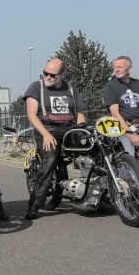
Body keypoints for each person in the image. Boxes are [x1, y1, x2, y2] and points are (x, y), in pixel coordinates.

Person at [25, 58, 86, 219]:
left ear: (62, 75)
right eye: (45, 73)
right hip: (47, 129)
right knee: (50, 157)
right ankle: (34, 204)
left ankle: (99, 194)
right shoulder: (36, 87)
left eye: (52, 75)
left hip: (70, 129)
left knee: (94, 148)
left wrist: (82, 131)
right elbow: (31, 114)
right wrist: (45, 134)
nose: (48, 77)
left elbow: (80, 113)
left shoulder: (71, 88)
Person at [102, 56, 139, 155]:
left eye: (119, 67)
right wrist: (130, 135)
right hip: (121, 127)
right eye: (115, 67)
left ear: (129, 68)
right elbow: (115, 114)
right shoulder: (111, 86)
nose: (116, 70)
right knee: (130, 155)